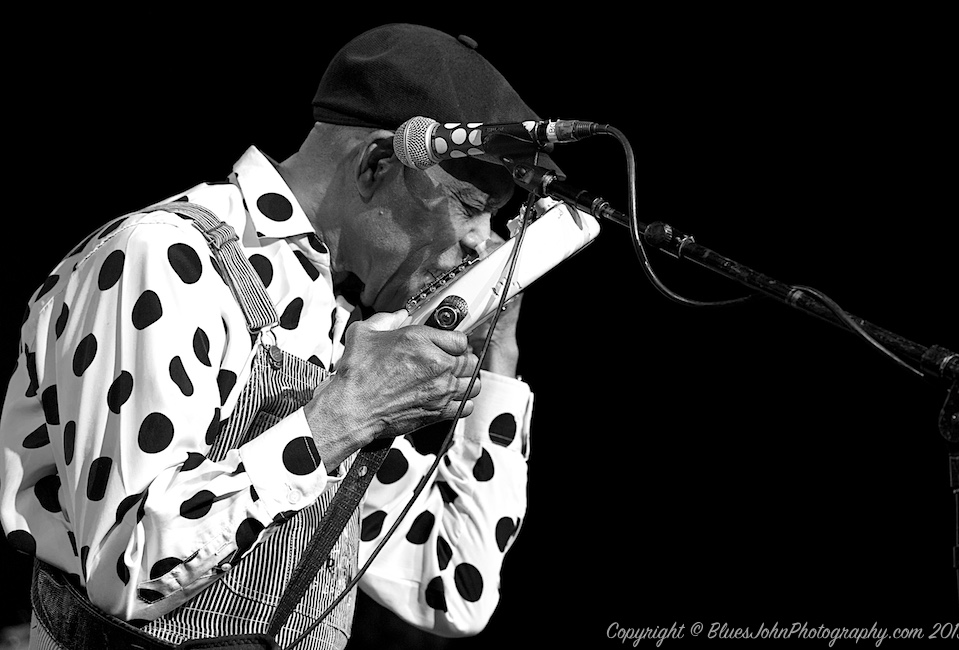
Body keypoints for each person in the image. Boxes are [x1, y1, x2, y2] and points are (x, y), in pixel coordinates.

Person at [0, 23, 550, 650]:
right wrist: (344, 416)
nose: (486, 243)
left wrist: (499, 354)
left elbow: (453, 587)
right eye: (470, 206)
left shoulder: (333, 323)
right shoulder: (164, 256)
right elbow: (126, 567)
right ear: (375, 165)